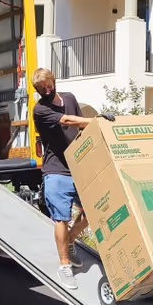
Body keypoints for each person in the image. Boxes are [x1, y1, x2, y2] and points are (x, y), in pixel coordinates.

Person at [31, 67, 114, 290]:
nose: (46, 89)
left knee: (91, 212)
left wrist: (96, 131)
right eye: (41, 88)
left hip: (78, 167)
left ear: (53, 81)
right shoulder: (40, 109)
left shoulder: (69, 98)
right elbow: (68, 120)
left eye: (48, 84)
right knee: (61, 218)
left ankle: (70, 240)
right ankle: (64, 265)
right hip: (56, 170)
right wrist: (96, 121)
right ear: (37, 90)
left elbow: (80, 127)